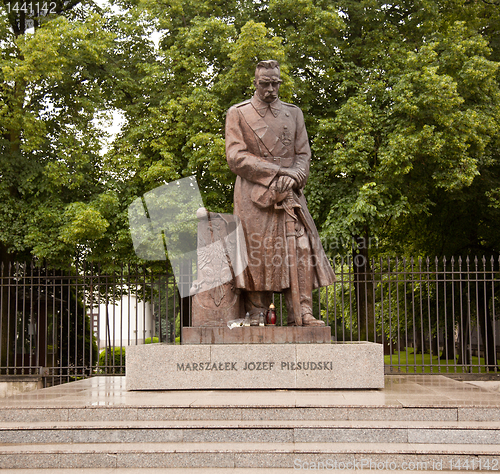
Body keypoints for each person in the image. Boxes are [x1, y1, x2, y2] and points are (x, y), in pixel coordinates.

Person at [225, 60, 335, 326]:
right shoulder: (238, 113)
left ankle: (303, 311)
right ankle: (257, 312)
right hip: (254, 195)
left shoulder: (293, 114)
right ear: (255, 82)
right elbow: (235, 157)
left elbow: (303, 155)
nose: (271, 89)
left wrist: (296, 175)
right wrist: (277, 173)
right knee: (258, 253)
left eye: (275, 83)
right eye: (265, 84)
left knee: (300, 248)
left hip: (290, 194)